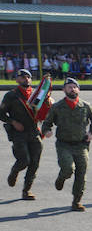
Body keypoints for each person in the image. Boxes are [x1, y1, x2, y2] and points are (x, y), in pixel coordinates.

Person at [41, 78, 92, 211]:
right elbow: (47, 122)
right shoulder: (57, 107)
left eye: (74, 87)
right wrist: (47, 131)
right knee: (68, 169)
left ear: (78, 89)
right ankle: (61, 178)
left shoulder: (85, 106)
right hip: (64, 144)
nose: (72, 89)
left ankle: (76, 201)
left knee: (82, 173)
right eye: (69, 87)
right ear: (64, 90)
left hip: (81, 144)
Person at [0, 69, 52, 200]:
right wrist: (12, 121)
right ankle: (14, 171)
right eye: (23, 77)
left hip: (34, 131)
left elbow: (44, 111)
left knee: (34, 162)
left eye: (28, 77)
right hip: (19, 132)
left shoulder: (37, 94)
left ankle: (26, 190)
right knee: (24, 161)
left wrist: (48, 102)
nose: (26, 79)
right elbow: (1, 113)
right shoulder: (11, 95)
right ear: (17, 80)